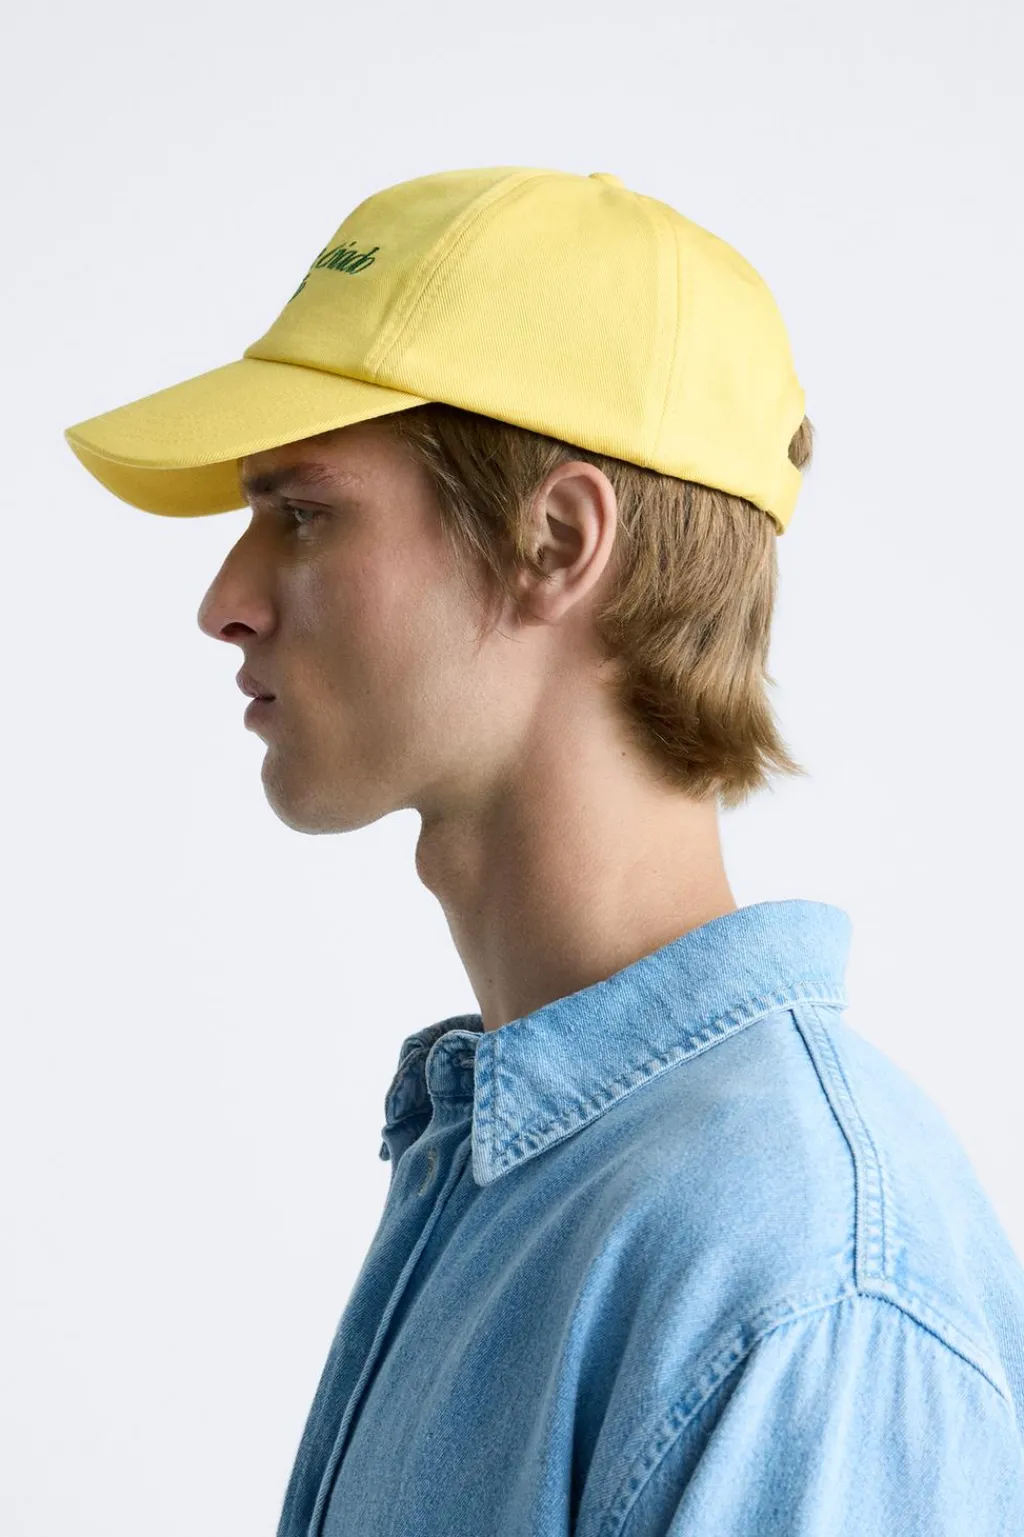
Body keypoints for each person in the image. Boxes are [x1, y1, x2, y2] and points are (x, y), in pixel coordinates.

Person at [64, 165, 1024, 1536]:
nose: (226, 599)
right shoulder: (524, 1170)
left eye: (303, 513)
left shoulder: (797, 1273)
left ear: (556, 541)